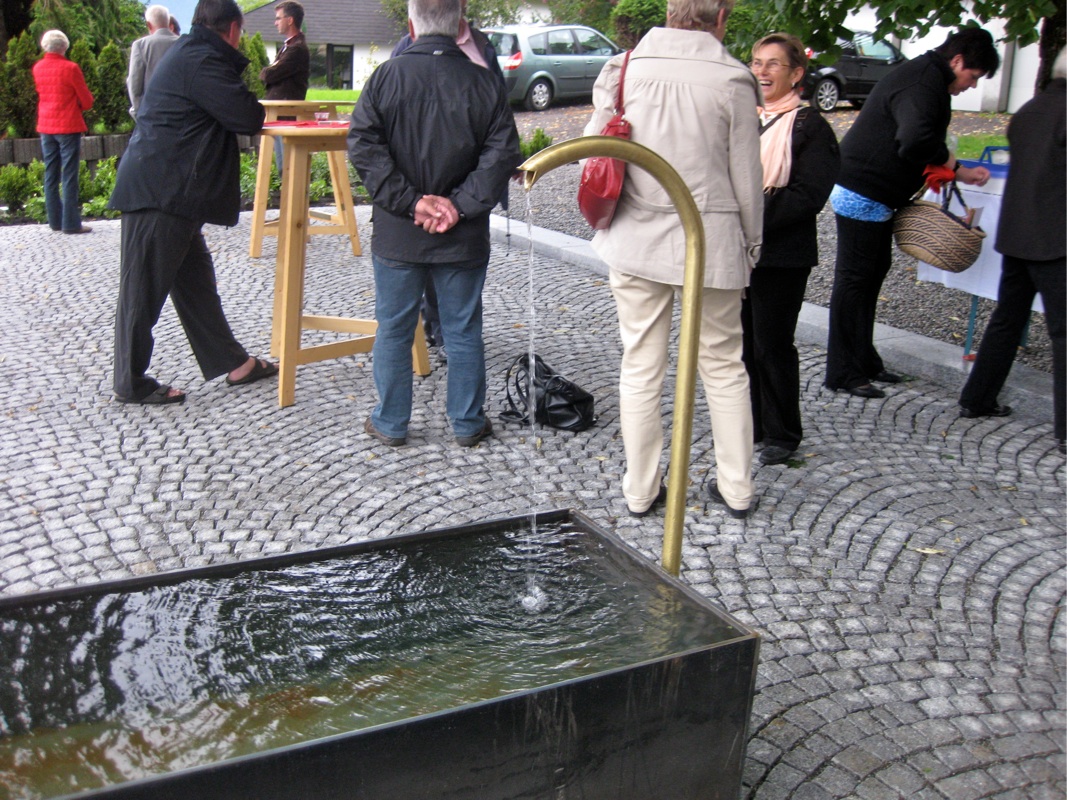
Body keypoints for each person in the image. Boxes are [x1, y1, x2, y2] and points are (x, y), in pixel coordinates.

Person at [583, 0, 763, 518]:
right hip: (711, 238)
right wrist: (752, 244)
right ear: (721, 16)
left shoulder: (624, 68)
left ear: (669, 10)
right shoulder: (732, 78)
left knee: (641, 363)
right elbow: (747, 176)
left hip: (635, 235)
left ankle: (640, 489)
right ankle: (736, 487)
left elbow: (594, 146)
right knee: (723, 365)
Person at [348, 0, 521, 447]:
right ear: (461, 24)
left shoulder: (386, 77)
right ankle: (467, 422)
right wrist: (457, 206)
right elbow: (502, 153)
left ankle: (391, 422)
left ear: (411, 25)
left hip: (399, 232)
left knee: (394, 329)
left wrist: (411, 202)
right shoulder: (485, 82)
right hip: (462, 234)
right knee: (462, 329)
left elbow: (363, 144)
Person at [109, 0, 276, 406]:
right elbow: (246, 116)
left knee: (196, 284)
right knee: (142, 289)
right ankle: (130, 382)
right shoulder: (203, 59)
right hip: (161, 189)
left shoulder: (193, 52)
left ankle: (234, 363)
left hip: (170, 189)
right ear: (233, 29)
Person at [824, 27, 1000, 399]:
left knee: (871, 275)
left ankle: (863, 360)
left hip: (874, 191)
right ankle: (843, 371)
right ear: (957, 61)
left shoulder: (928, 77)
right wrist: (954, 164)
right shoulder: (923, 82)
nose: (972, 85)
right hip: (862, 188)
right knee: (855, 281)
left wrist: (954, 167)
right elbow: (915, 140)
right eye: (973, 76)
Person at [959, 47, 1066, 452]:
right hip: (1055, 238)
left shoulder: (1030, 109)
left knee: (1007, 319)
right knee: (1063, 332)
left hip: (1018, 232)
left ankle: (977, 397)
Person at [742, 32, 838, 465]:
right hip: (738, 248)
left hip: (781, 254)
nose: (761, 71)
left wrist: (751, 213)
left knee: (772, 343)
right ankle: (751, 423)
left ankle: (782, 434)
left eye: (773, 64)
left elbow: (808, 195)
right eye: (757, 62)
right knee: (742, 342)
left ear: (796, 73)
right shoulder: (744, 117)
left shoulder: (810, 126)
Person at [390, 0, 506, 360]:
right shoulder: (402, 53)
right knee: (419, 290)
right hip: (417, 202)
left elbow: (500, 130)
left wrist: (465, 200)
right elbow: (379, 133)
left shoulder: (483, 47)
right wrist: (413, 201)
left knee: (458, 303)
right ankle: (437, 327)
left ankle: (447, 332)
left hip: (464, 198)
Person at [32, 29, 93, 235]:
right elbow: (87, 101)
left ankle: (55, 221)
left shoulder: (38, 68)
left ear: (44, 46)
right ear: (65, 47)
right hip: (68, 125)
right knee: (69, 175)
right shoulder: (71, 68)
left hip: (46, 125)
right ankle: (71, 223)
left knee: (50, 174)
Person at [260, 0, 309, 173]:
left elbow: (269, 75)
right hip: (279, 115)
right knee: (284, 167)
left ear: (290, 20)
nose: (275, 23)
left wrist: (267, 71)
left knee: (288, 167)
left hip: (288, 116)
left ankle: (292, 192)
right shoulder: (287, 47)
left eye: (278, 18)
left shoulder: (297, 49)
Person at [127, 4, 179, 118]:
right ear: (168, 22)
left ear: (149, 25)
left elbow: (134, 84)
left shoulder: (140, 45)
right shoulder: (184, 44)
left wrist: (138, 113)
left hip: (152, 114)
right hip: (182, 114)